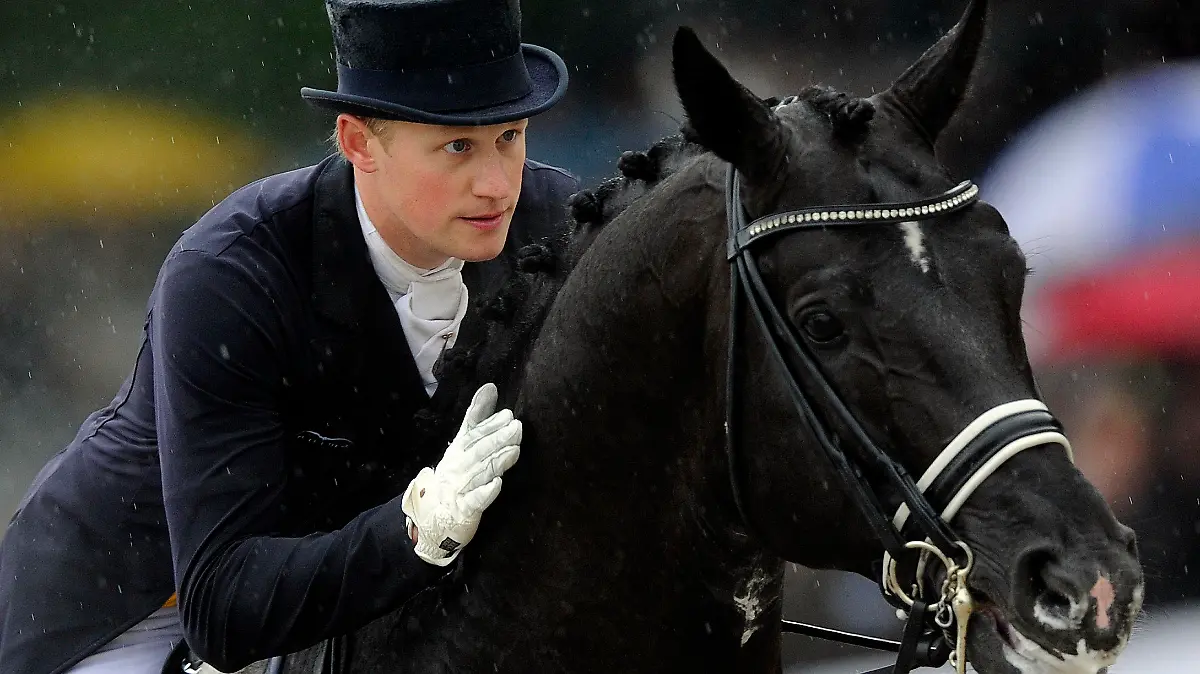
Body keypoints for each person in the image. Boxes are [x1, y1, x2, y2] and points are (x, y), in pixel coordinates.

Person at [0, 0, 578, 672]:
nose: (497, 183)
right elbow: (222, 606)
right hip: (133, 610)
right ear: (360, 143)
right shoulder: (230, 272)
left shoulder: (557, 224)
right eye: (458, 146)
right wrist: (417, 526)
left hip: (347, 600)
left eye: (511, 136)